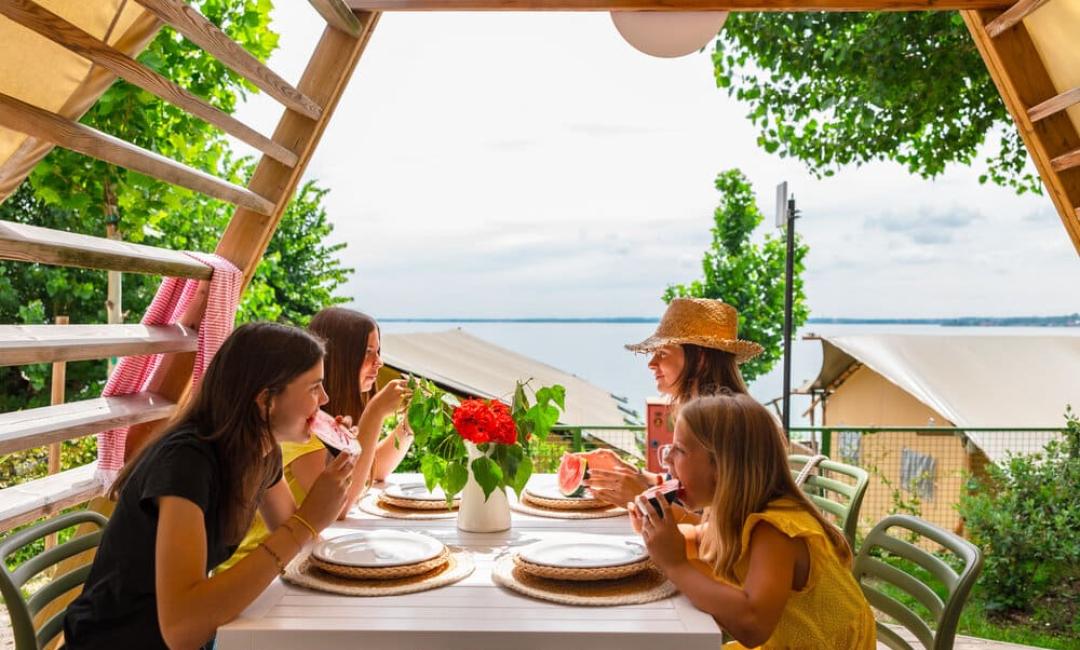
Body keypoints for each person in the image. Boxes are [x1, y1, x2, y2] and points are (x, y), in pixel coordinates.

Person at [64, 323, 355, 649]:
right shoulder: (187, 461)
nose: (326, 399)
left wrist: (333, 481)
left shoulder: (260, 450)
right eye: (315, 388)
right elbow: (182, 630)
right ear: (265, 400)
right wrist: (307, 522)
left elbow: (291, 534)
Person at [630, 392, 876, 649]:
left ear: (723, 467)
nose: (667, 459)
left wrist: (675, 565)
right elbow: (700, 537)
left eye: (679, 450)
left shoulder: (776, 531)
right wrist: (659, 536)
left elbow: (753, 625)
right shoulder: (738, 513)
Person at [218, 307, 412, 571]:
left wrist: (408, 427)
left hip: (288, 560)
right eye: (368, 352)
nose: (378, 362)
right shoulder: (296, 435)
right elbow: (341, 505)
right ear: (341, 358)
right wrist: (375, 413)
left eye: (378, 351)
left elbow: (373, 469)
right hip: (262, 571)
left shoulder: (312, 426)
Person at [586, 298, 762, 506]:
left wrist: (640, 500)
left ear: (701, 359)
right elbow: (684, 489)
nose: (651, 363)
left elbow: (717, 524)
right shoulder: (705, 413)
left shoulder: (726, 425)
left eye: (663, 353)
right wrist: (632, 474)